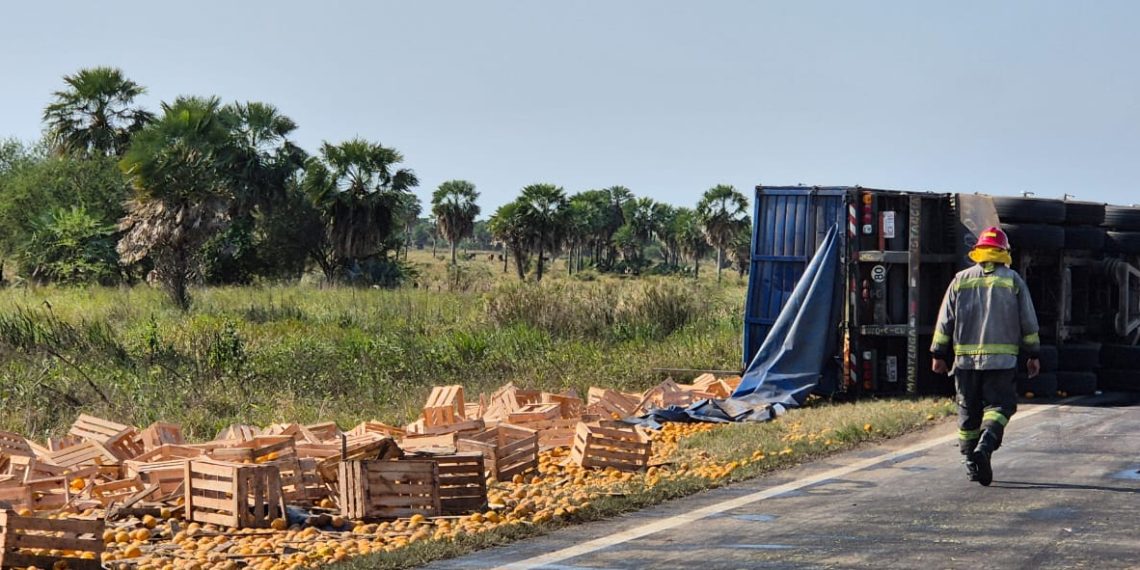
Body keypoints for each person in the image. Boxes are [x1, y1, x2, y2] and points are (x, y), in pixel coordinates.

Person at [930, 226, 1040, 486]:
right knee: (1000, 407)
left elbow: (945, 321)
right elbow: (1028, 322)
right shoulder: (1013, 281)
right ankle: (986, 445)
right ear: (1004, 251)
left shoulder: (960, 280)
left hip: (965, 363)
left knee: (968, 413)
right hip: (1001, 363)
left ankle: (971, 463)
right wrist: (1033, 354)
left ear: (978, 251)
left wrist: (938, 353)